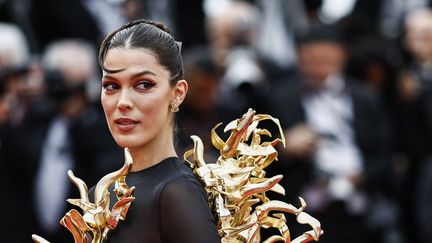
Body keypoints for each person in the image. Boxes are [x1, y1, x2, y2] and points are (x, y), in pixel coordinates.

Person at [97, 19, 220, 242]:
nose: (123, 102)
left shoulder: (177, 192)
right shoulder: (103, 191)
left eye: (144, 84)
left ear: (178, 93)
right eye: (112, 86)